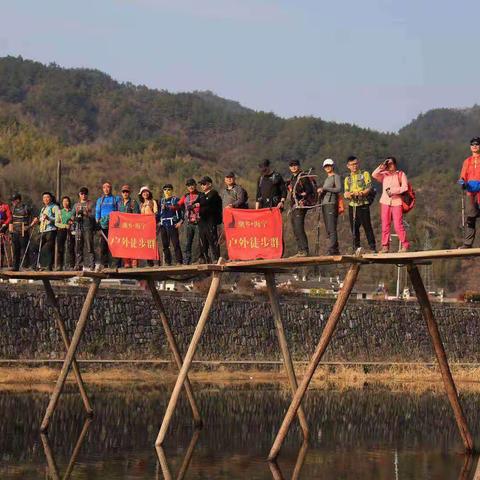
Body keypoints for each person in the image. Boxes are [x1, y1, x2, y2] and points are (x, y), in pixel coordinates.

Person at [372, 156, 410, 253]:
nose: (390, 166)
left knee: (398, 225)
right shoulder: (384, 175)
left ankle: (405, 245)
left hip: (397, 202)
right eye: (388, 164)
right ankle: (385, 246)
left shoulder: (401, 174)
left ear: (395, 164)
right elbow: (374, 174)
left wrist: (394, 191)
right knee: (385, 225)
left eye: (391, 163)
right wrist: (382, 166)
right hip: (385, 202)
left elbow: (405, 188)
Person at [344, 155, 376, 252]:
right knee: (354, 228)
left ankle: (372, 247)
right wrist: (348, 194)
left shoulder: (364, 174)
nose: (354, 166)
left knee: (367, 226)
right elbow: (345, 192)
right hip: (352, 205)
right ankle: (356, 248)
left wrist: (361, 193)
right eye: (352, 165)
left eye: (356, 164)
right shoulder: (347, 179)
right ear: (348, 166)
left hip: (363, 203)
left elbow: (369, 187)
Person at [286, 160, 315, 256]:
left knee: (299, 227)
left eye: (295, 165)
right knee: (295, 227)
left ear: (298, 166)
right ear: (289, 168)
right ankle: (300, 250)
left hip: (301, 205)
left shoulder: (302, 176)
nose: (293, 167)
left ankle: (305, 250)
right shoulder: (292, 178)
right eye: (291, 165)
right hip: (294, 205)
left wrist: (304, 195)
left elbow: (309, 189)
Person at [458, 137, 480, 248]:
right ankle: (467, 244)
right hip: (471, 193)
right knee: (470, 218)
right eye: (472, 144)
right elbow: (463, 176)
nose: (475, 146)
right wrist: (462, 182)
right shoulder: (467, 161)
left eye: (477, 144)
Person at [317, 159, 341, 255]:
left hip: (331, 203)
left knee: (331, 227)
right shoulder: (327, 179)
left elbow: (338, 189)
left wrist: (325, 188)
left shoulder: (336, 177)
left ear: (332, 166)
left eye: (329, 165)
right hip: (325, 204)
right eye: (326, 166)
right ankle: (334, 248)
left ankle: (333, 248)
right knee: (328, 228)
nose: (327, 167)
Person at [31, 192, 60, 271]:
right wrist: (37, 220)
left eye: (47, 197)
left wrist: (49, 218)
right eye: (44, 198)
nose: (46, 199)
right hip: (42, 230)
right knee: (35, 248)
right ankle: (35, 266)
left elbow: (58, 220)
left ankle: (48, 267)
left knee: (47, 249)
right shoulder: (43, 209)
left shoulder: (55, 207)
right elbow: (41, 220)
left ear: (51, 198)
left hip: (51, 230)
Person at [196, 176, 222, 263]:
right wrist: (193, 205)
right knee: (202, 239)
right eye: (201, 184)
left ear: (209, 184)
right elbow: (194, 202)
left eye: (204, 184)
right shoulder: (201, 195)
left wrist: (198, 204)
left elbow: (207, 201)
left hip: (211, 219)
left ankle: (216, 257)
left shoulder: (214, 193)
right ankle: (204, 258)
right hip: (202, 219)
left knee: (212, 238)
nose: (202, 186)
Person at [95, 182, 120, 268]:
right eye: (104, 187)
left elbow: (119, 211)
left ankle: (116, 263)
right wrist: (97, 222)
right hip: (103, 225)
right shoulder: (100, 200)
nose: (106, 189)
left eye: (108, 187)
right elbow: (97, 212)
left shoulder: (116, 199)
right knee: (103, 245)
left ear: (111, 188)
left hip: (114, 225)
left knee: (115, 244)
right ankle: (104, 264)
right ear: (102, 189)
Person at [158, 184, 183, 265]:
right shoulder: (161, 201)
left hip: (172, 223)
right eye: (165, 189)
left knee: (175, 243)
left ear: (172, 190)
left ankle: (179, 261)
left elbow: (182, 210)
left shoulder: (175, 199)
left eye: (169, 189)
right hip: (163, 224)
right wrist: (157, 221)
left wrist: (181, 221)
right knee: (165, 245)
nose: (167, 191)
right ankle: (168, 262)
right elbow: (158, 213)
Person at [177, 179, 201, 265]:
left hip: (199, 222)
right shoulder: (185, 196)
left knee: (200, 242)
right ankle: (186, 260)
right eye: (188, 185)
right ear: (187, 187)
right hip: (189, 222)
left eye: (192, 185)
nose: (190, 187)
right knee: (188, 242)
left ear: (195, 185)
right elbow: (178, 205)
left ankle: (200, 259)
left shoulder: (200, 195)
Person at [73, 187, 96, 271]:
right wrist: (75, 218)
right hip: (78, 228)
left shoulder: (91, 204)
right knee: (78, 247)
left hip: (88, 227)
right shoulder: (76, 205)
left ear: (87, 194)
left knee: (90, 246)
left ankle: (92, 264)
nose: (83, 195)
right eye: (82, 193)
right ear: (79, 194)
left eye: (85, 193)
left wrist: (86, 214)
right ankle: (79, 264)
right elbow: (72, 215)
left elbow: (94, 216)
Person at [118, 184, 140, 268]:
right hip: (122, 228)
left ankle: (134, 262)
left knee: (133, 245)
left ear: (129, 193)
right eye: (124, 192)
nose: (125, 193)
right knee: (124, 245)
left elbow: (137, 215)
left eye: (127, 191)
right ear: (121, 193)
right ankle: (126, 262)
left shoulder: (133, 202)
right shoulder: (119, 203)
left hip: (132, 228)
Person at [10, 193, 31, 270]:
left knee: (24, 249)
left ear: (18, 200)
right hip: (15, 232)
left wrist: (29, 226)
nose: (12, 202)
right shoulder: (12, 208)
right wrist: (10, 232)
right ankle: (15, 267)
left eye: (14, 200)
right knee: (16, 250)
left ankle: (26, 266)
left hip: (23, 231)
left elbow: (35, 218)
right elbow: (11, 221)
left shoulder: (26, 207)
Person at [138, 186, 158, 266]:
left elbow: (156, 212)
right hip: (144, 226)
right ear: (141, 194)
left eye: (146, 192)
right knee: (146, 244)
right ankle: (149, 262)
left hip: (152, 225)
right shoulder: (141, 205)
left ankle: (157, 261)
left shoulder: (153, 201)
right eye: (143, 192)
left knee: (153, 243)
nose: (145, 193)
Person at [55, 196, 75, 270]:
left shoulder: (72, 211)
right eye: (64, 201)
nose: (65, 203)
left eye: (67, 201)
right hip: (61, 230)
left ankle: (72, 265)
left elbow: (74, 220)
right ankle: (60, 265)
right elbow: (56, 223)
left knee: (71, 248)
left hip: (71, 231)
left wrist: (72, 222)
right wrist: (64, 225)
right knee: (60, 249)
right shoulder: (60, 211)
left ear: (69, 202)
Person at [0, 196, 13, 268]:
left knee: (2, 245)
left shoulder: (5, 206)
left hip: (2, 227)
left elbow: (10, 217)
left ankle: (1, 264)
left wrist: (5, 223)